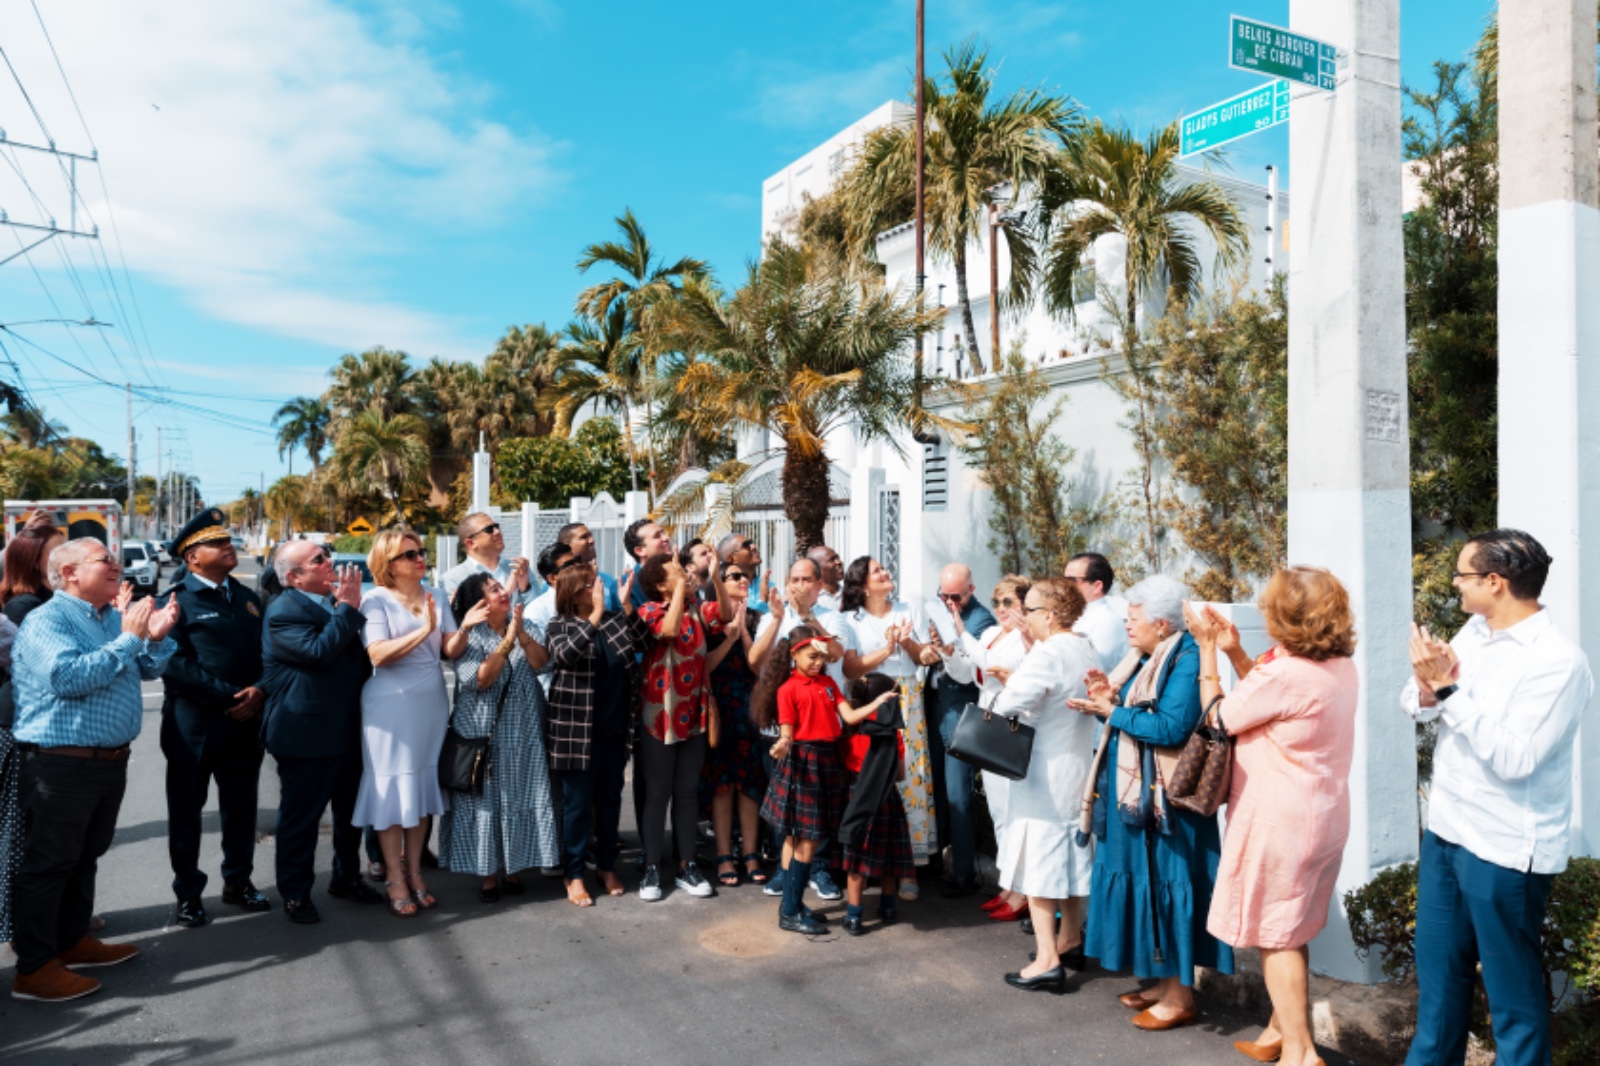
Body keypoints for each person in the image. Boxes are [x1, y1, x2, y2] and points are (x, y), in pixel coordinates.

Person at [1401, 530, 1591, 1066]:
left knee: (1513, 999)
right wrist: (1426, 686)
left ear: (1494, 582)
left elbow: (1514, 758)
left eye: (1462, 575)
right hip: (1447, 832)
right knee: (1438, 985)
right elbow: (1419, 703)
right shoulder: (1475, 631)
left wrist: (1446, 690)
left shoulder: (1558, 663)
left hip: (1506, 848)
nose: (1455, 584)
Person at [1186, 567, 1360, 1066]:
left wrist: (1207, 652)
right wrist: (1237, 653)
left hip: (1279, 819)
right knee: (1292, 927)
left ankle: (1302, 1053)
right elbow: (1266, 699)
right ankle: (1279, 1030)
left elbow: (1219, 717)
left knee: (1274, 934)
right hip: (1323, 813)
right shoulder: (1342, 665)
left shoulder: (1284, 674)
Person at [10, 538, 180, 1002]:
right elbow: (69, 678)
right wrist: (131, 637)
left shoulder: (106, 617)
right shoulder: (48, 620)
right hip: (61, 763)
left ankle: (71, 941)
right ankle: (35, 968)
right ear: (68, 573)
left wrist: (155, 636)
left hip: (105, 762)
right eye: (106, 560)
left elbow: (143, 668)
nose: (117, 567)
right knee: (48, 865)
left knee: (84, 857)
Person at [1069, 575, 1233, 1031]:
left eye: (1134, 618)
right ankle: (1163, 984)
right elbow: (1145, 709)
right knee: (1147, 884)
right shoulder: (1152, 655)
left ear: (1161, 624)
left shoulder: (1186, 656)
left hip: (1166, 801)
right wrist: (1111, 696)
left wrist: (1112, 712)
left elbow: (1171, 727)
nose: (1127, 626)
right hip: (1139, 795)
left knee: (1167, 883)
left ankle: (1181, 997)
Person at [156, 509, 270, 928]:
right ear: (191, 557)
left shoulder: (247, 597)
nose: (228, 547)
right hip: (195, 725)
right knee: (187, 811)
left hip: (245, 721)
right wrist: (231, 696)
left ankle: (238, 883)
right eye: (216, 543)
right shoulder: (173, 601)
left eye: (228, 540)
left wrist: (260, 690)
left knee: (241, 808)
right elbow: (174, 663)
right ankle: (188, 893)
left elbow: (267, 654)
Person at [260, 542, 383, 923]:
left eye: (327, 554)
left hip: (347, 728)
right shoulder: (284, 611)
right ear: (293, 576)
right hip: (305, 733)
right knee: (302, 819)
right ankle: (296, 893)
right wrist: (347, 607)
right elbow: (319, 651)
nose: (330, 562)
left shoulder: (331, 604)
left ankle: (346, 878)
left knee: (349, 814)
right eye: (318, 559)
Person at [352, 528, 471, 917]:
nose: (420, 558)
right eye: (409, 554)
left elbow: (449, 649)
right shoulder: (375, 600)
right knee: (391, 794)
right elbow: (378, 654)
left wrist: (463, 627)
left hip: (430, 700)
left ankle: (416, 872)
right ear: (388, 564)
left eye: (420, 552)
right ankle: (394, 878)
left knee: (420, 790)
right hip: (390, 704)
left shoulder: (435, 594)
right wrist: (424, 630)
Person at [990, 577, 1099, 995]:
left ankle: (1047, 958)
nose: (1025, 617)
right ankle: (1070, 938)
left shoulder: (1048, 653)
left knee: (1039, 865)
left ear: (1050, 616)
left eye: (1030, 609)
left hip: (1042, 773)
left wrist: (1010, 683)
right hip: (1075, 766)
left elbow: (1009, 703)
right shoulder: (1084, 645)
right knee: (1069, 856)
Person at [753, 624, 894, 934]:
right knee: (804, 839)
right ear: (795, 654)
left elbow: (850, 718)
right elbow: (787, 733)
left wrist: (878, 702)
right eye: (811, 656)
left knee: (801, 839)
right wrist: (780, 744)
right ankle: (790, 911)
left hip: (826, 760)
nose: (818, 662)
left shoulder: (829, 682)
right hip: (803, 762)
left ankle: (791, 905)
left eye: (822, 657)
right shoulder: (787, 689)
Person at [438, 573, 559, 903]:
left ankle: (514, 867)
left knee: (520, 793)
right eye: (493, 590)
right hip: (482, 729)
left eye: (499, 587)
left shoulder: (524, 623)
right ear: (479, 604)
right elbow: (481, 679)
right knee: (486, 801)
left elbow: (542, 664)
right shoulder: (470, 637)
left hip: (524, 727)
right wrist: (507, 641)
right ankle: (488, 873)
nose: (502, 592)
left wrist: (520, 633)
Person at [750, 558, 854, 902]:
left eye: (807, 579)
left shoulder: (832, 616)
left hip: (823, 730)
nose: (799, 585)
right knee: (787, 807)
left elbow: (837, 653)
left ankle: (818, 868)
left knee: (820, 807)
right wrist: (779, 618)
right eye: (794, 578)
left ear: (819, 584)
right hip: (781, 727)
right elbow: (756, 661)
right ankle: (787, 870)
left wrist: (808, 617)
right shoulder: (771, 615)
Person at [546, 566, 649, 903]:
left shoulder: (614, 621)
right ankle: (573, 873)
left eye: (598, 584)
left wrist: (625, 606)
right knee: (577, 808)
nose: (598, 589)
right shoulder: (559, 625)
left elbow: (646, 641)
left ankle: (606, 865)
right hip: (575, 733)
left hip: (615, 730)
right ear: (573, 593)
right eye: (591, 585)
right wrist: (594, 619)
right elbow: (565, 656)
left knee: (609, 801)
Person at [841, 556, 941, 899]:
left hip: (908, 697)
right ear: (863, 584)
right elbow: (851, 669)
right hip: (870, 700)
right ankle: (867, 863)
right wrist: (887, 646)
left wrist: (908, 642)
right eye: (877, 571)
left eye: (885, 568)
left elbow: (924, 657)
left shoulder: (909, 608)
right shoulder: (850, 619)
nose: (886, 573)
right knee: (871, 778)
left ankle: (907, 868)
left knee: (910, 776)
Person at [635, 552, 727, 901]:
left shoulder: (697, 609)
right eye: (677, 571)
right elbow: (668, 631)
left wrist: (715, 578)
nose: (686, 573)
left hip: (694, 714)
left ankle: (687, 865)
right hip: (659, 715)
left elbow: (725, 615)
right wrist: (678, 594)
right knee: (659, 793)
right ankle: (652, 867)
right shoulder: (651, 610)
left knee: (687, 792)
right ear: (661, 585)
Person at [942, 575, 1032, 921]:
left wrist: (960, 630)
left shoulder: (1028, 641)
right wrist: (951, 653)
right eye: (998, 602)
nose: (1001, 609)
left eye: (1009, 602)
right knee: (998, 812)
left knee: (1014, 812)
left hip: (1010, 727)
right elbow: (970, 673)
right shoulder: (993, 634)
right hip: (988, 721)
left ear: (1025, 605)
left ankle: (1021, 889)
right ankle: (1009, 885)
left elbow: (1000, 667)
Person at [0, 514, 66, 948]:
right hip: (22, 731)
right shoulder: (25, 607)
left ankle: (54, 921)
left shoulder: (43, 601)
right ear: (33, 562)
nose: (64, 558)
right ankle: (30, 931)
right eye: (55, 552)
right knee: (23, 837)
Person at [702, 559, 778, 886]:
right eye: (733, 576)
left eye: (745, 575)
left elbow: (757, 666)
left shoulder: (757, 618)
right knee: (722, 786)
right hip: (720, 708)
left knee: (749, 786)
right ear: (719, 583)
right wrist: (729, 638)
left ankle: (750, 854)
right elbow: (704, 665)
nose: (742, 580)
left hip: (749, 709)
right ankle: (723, 855)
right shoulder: (708, 618)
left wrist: (744, 632)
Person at [923, 561, 997, 898]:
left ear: (971, 590)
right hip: (936, 707)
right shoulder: (937, 610)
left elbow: (967, 672)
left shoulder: (982, 621)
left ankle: (964, 873)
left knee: (958, 795)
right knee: (934, 789)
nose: (949, 602)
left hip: (961, 714)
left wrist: (945, 647)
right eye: (943, 595)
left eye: (955, 596)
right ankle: (933, 862)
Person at [837, 673, 914, 935]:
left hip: (857, 796)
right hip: (887, 798)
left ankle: (854, 917)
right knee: (888, 856)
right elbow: (901, 775)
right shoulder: (893, 734)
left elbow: (844, 765)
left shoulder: (851, 730)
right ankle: (889, 908)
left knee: (857, 861)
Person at [440, 512, 533, 604]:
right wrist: (507, 591)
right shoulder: (453, 579)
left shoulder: (518, 569)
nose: (497, 532)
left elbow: (538, 613)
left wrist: (525, 589)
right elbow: (464, 616)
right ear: (471, 543)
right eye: (489, 529)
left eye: (496, 526)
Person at [1065, 552, 1129, 670]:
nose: (1064, 586)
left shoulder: (1106, 622)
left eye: (1072, 580)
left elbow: (1090, 670)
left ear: (1097, 586)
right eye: (1063, 580)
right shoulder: (1070, 615)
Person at [556, 522, 621, 612]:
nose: (592, 540)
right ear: (567, 545)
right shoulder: (557, 580)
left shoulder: (607, 579)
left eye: (590, 536)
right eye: (584, 537)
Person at [623, 519, 672, 608]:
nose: (666, 538)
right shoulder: (628, 586)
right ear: (640, 550)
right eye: (657, 536)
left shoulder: (680, 573)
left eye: (663, 533)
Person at [806, 544, 844, 611]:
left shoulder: (851, 595)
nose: (839, 562)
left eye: (838, 558)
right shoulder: (811, 600)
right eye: (831, 560)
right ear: (817, 568)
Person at [678, 538, 716, 603]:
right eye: (703, 554)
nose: (710, 555)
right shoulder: (687, 595)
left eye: (709, 551)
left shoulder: (723, 584)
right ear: (690, 567)